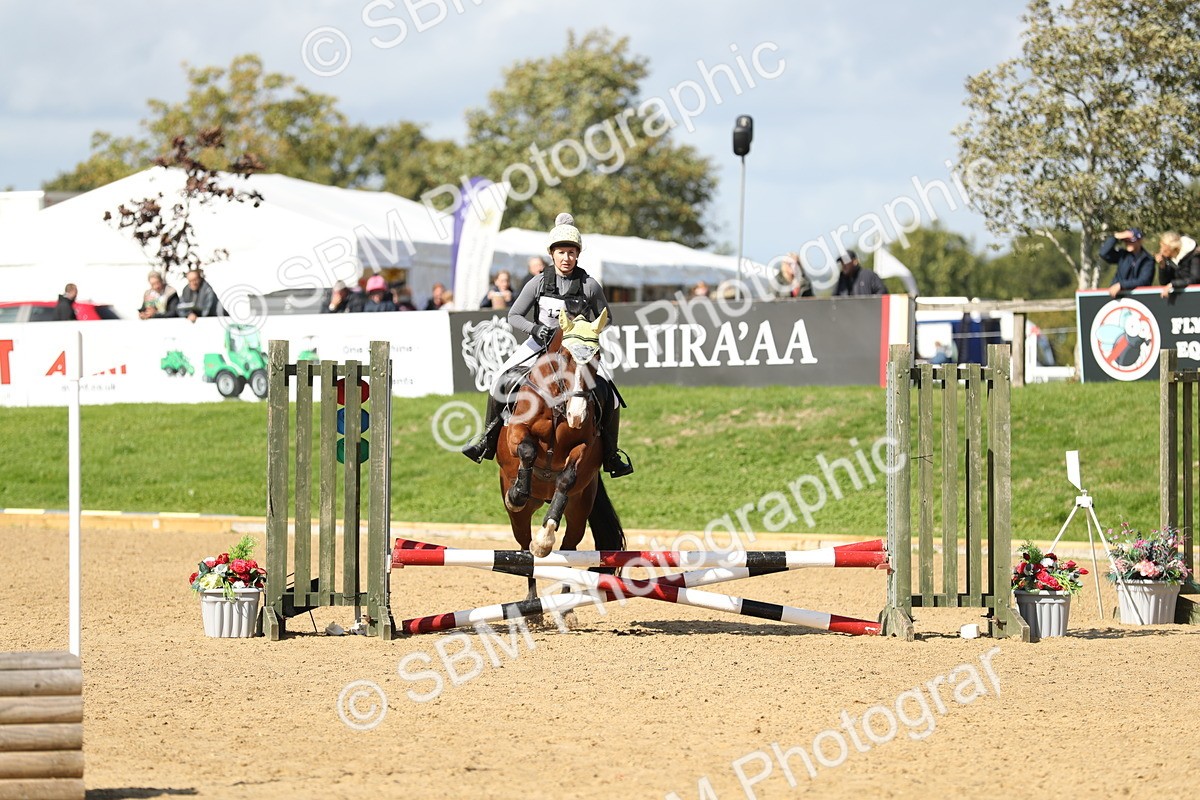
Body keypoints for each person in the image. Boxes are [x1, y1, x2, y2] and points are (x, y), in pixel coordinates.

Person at [461, 212, 633, 478]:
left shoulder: (589, 286)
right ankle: (487, 440)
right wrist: (535, 329)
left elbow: (606, 318)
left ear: (578, 255)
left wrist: (586, 331)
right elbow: (514, 315)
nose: (566, 258)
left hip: (577, 350)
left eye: (571, 253)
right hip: (538, 344)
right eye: (561, 252)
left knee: (609, 394)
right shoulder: (538, 283)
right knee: (499, 379)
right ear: (552, 254)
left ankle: (611, 455)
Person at [1099, 228, 1154, 298]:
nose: (1128, 243)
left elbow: (1144, 281)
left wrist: (1121, 285)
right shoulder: (1122, 255)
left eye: (1131, 241)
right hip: (1118, 298)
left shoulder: (1148, 260)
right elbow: (1103, 253)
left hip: (1139, 298)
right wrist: (1115, 237)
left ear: (1140, 241)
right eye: (1126, 241)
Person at [1159, 232, 1200, 298]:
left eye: (1164, 248)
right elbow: (1164, 283)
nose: (1161, 251)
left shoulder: (1194, 255)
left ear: (1172, 248)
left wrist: (1173, 284)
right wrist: (1162, 266)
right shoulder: (1168, 259)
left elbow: (1195, 279)